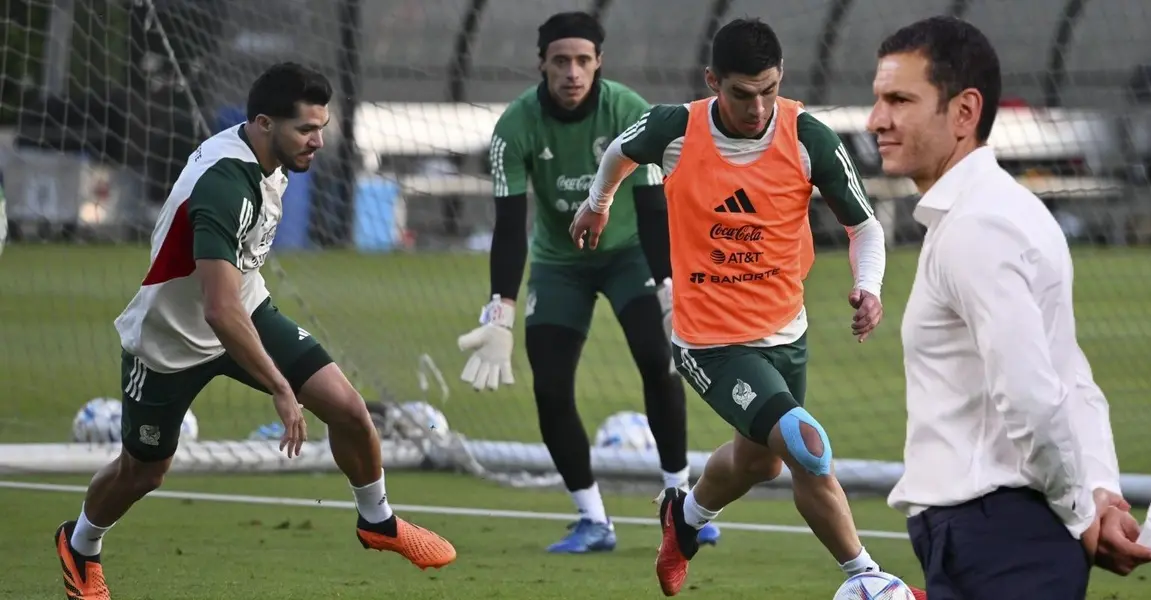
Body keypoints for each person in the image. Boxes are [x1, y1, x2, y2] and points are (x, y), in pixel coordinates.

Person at [55, 62, 457, 600]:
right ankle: (80, 546)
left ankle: (377, 521)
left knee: (349, 409)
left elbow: (232, 301)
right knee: (144, 471)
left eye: (322, 127)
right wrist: (281, 387)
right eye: (306, 130)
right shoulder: (226, 184)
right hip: (170, 342)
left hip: (247, 308)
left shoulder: (272, 157)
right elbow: (218, 311)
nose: (318, 140)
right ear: (264, 123)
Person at [570, 17, 922, 598]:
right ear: (713, 81)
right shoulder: (675, 128)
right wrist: (598, 203)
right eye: (741, 93)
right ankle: (870, 579)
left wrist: (870, 286)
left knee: (760, 463)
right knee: (808, 446)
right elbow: (617, 152)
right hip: (708, 342)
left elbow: (864, 227)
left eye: (769, 91)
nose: (757, 108)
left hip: (786, 333)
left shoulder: (809, 137)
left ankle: (683, 519)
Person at [868, 16, 1151, 599]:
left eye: (900, 99)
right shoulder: (1005, 211)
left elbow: (1031, 393)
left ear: (964, 113)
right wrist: (1098, 492)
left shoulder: (979, 227)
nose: (878, 119)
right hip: (1001, 535)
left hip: (998, 540)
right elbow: (1071, 374)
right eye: (878, 100)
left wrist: (1082, 513)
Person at [456, 11, 719, 554]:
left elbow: (651, 207)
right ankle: (593, 521)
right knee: (550, 388)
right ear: (542, 65)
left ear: (599, 62)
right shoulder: (514, 127)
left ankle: (680, 505)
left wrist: (669, 287)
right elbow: (509, 225)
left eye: (582, 60)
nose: (572, 72)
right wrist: (499, 308)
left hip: (629, 255)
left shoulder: (629, 111)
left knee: (659, 361)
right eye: (560, 61)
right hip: (560, 262)